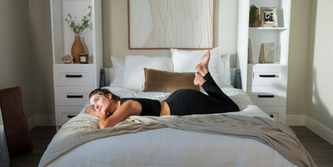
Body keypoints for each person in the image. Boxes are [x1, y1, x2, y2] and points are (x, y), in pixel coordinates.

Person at [87, 51, 240, 128]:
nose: (96, 106)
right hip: (178, 100)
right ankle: (202, 76)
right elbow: (88, 109)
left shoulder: (125, 105)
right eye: (94, 105)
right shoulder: (120, 105)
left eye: (97, 100)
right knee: (222, 103)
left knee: (232, 108)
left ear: (108, 95)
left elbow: (105, 125)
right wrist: (96, 109)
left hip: (182, 104)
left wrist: (101, 114)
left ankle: (204, 75)